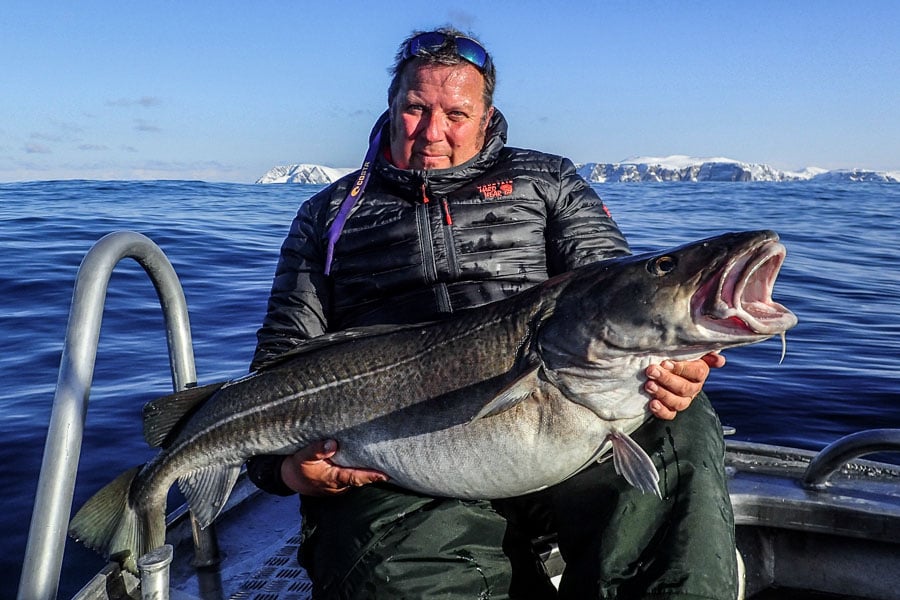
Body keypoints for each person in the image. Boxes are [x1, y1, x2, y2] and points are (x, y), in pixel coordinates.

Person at [247, 27, 736, 600]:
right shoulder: (328, 214)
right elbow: (278, 365)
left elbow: (619, 290)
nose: (432, 132)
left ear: (486, 116)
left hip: (568, 428)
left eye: (456, 113)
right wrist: (280, 473)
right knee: (389, 572)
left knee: (682, 429)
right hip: (401, 459)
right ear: (390, 105)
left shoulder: (547, 181)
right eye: (414, 108)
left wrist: (675, 362)